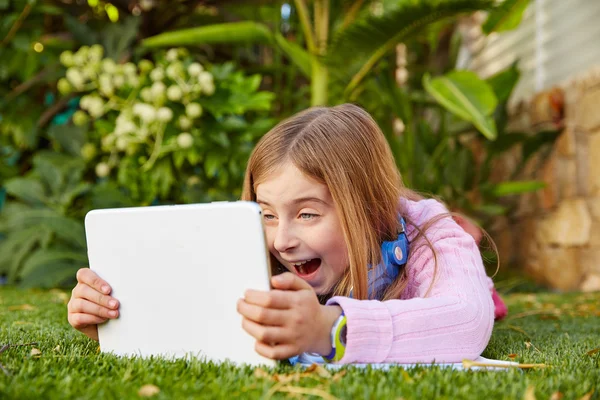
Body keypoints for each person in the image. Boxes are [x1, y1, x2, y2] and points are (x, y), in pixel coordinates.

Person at [68, 103, 506, 364]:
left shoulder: (429, 232)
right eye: (268, 214)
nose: (282, 240)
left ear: (370, 209)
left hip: (439, 280)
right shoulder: (254, 245)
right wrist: (120, 320)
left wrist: (329, 329)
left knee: (477, 287)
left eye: (308, 214)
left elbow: (466, 321)